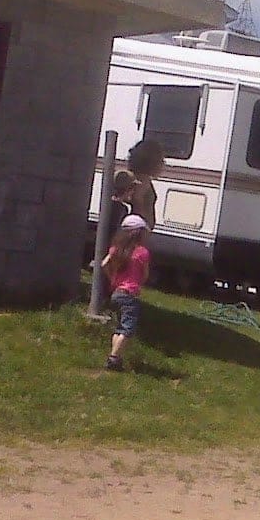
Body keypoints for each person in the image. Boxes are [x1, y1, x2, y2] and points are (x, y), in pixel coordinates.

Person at [101, 214, 151, 372]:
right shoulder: (142, 252)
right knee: (127, 329)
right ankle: (113, 359)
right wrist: (138, 282)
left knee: (119, 328)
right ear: (138, 233)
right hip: (130, 294)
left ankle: (116, 357)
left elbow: (104, 264)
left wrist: (112, 279)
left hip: (116, 292)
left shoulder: (116, 249)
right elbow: (145, 275)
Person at [126, 139, 165, 231]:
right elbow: (137, 209)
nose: (163, 164)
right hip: (135, 234)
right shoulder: (141, 182)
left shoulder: (141, 179)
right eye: (161, 160)